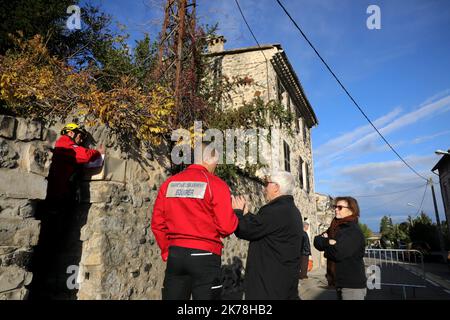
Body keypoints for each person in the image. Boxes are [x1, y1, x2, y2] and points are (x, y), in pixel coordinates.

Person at [151, 143, 238, 300]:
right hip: (205, 255)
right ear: (209, 159)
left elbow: (157, 223)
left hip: (176, 255)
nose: (215, 168)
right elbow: (227, 227)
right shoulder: (216, 184)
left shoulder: (169, 183)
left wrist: (166, 250)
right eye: (216, 163)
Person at [232, 171, 303, 300]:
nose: (265, 188)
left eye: (267, 184)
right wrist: (247, 215)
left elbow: (246, 230)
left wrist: (237, 212)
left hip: (268, 285)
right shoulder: (290, 210)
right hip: (283, 282)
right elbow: (263, 228)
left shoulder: (275, 210)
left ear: (276, 187)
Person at [313, 197, 367, 300]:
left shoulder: (352, 231)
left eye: (340, 207)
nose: (336, 209)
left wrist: (326, 248)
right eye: (335, 207)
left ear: (351, 210)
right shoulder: (335, 227)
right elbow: (317, 241)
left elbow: (337, 253)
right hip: (339, 282)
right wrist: (329, 242)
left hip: (352, 285)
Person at [46, 123, 104, 203]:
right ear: (71, 133)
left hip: (58, 191)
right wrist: (97, 152)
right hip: (58, 193)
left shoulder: (62, 144)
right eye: (80, 136)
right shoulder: (65, 143)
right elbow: (85, 155)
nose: (81, 140)